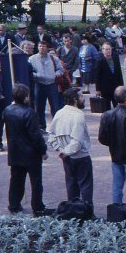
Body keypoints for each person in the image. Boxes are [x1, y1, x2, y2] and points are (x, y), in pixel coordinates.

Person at [5, 83, 51, 216]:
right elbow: (35, 135)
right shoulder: (30, 113)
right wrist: (43, 150)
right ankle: (37, 206)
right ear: (25, 97)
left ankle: (14, 205)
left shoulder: (7, 110)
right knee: (36, 182)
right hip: (31, 154)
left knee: (16, 180)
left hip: (15, 151)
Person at [46, 87, 93, 215]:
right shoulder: (79, 116)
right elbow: (76, 142)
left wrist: (60, 149)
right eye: (81, 97)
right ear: (75, 99)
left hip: (67, 158)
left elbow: (50, 135)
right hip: (80, 157)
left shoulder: (59, 113)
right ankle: (88, 214)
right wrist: (65, 151)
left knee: (71, 187)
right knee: (86, 188)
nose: (84, 99)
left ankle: (72, 213)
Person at [28, 40, 64, 130]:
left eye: (43, 46)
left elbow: (60, 69)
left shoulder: (53, 58)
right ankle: (41, 126)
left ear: (47, 48)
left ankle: (56, 126)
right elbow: (29, 72)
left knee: (55, 107)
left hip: (52, 84)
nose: (41, 48)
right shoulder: (32, 59)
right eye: (40, 46)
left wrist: (56, 74)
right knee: (39, 107)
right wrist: (37, 76)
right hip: (39, 84)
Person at [96, 42, 124, 108]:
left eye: (109, 49)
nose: (108, 51)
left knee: (118, 107)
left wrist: (121, 86)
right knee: (106, 108)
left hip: (116, 88)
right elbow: (97, 76)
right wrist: (98, 89)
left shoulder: (115, 59)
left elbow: (119, 73)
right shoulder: (100, 61)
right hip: (105, 89)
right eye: (106, 49)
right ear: (103, 50)